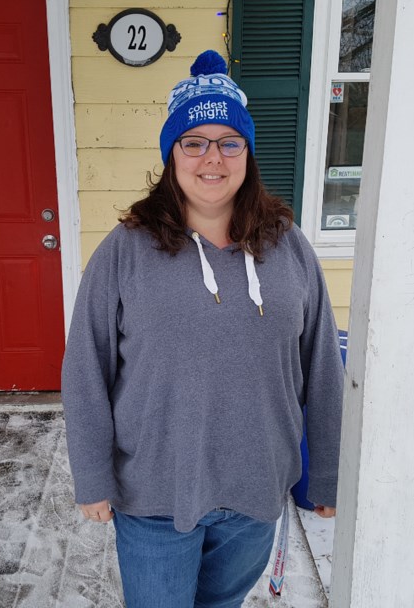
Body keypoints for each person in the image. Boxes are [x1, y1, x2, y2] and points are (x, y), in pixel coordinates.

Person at [61, 49, 344, 608]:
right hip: (155, 494)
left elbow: (322, 369)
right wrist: (91, 474)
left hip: (257, 490)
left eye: (228, 141)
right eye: (194, 142)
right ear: (172, 154)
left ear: (248, 153)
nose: (211, 158)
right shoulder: (126, 250)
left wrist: (327, 473)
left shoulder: (288, 247)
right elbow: (85, 367)